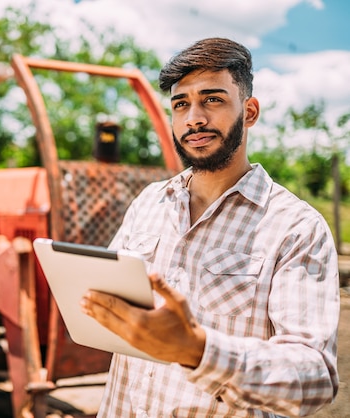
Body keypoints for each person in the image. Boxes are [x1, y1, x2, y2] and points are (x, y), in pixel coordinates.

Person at [80, 37, 340, 417]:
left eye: (212, 99)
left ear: (249, 112)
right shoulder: (149, 203)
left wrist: (197, 351)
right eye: (181, 104)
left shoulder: (296, 227)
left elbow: (313, 378)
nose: (194, 118)